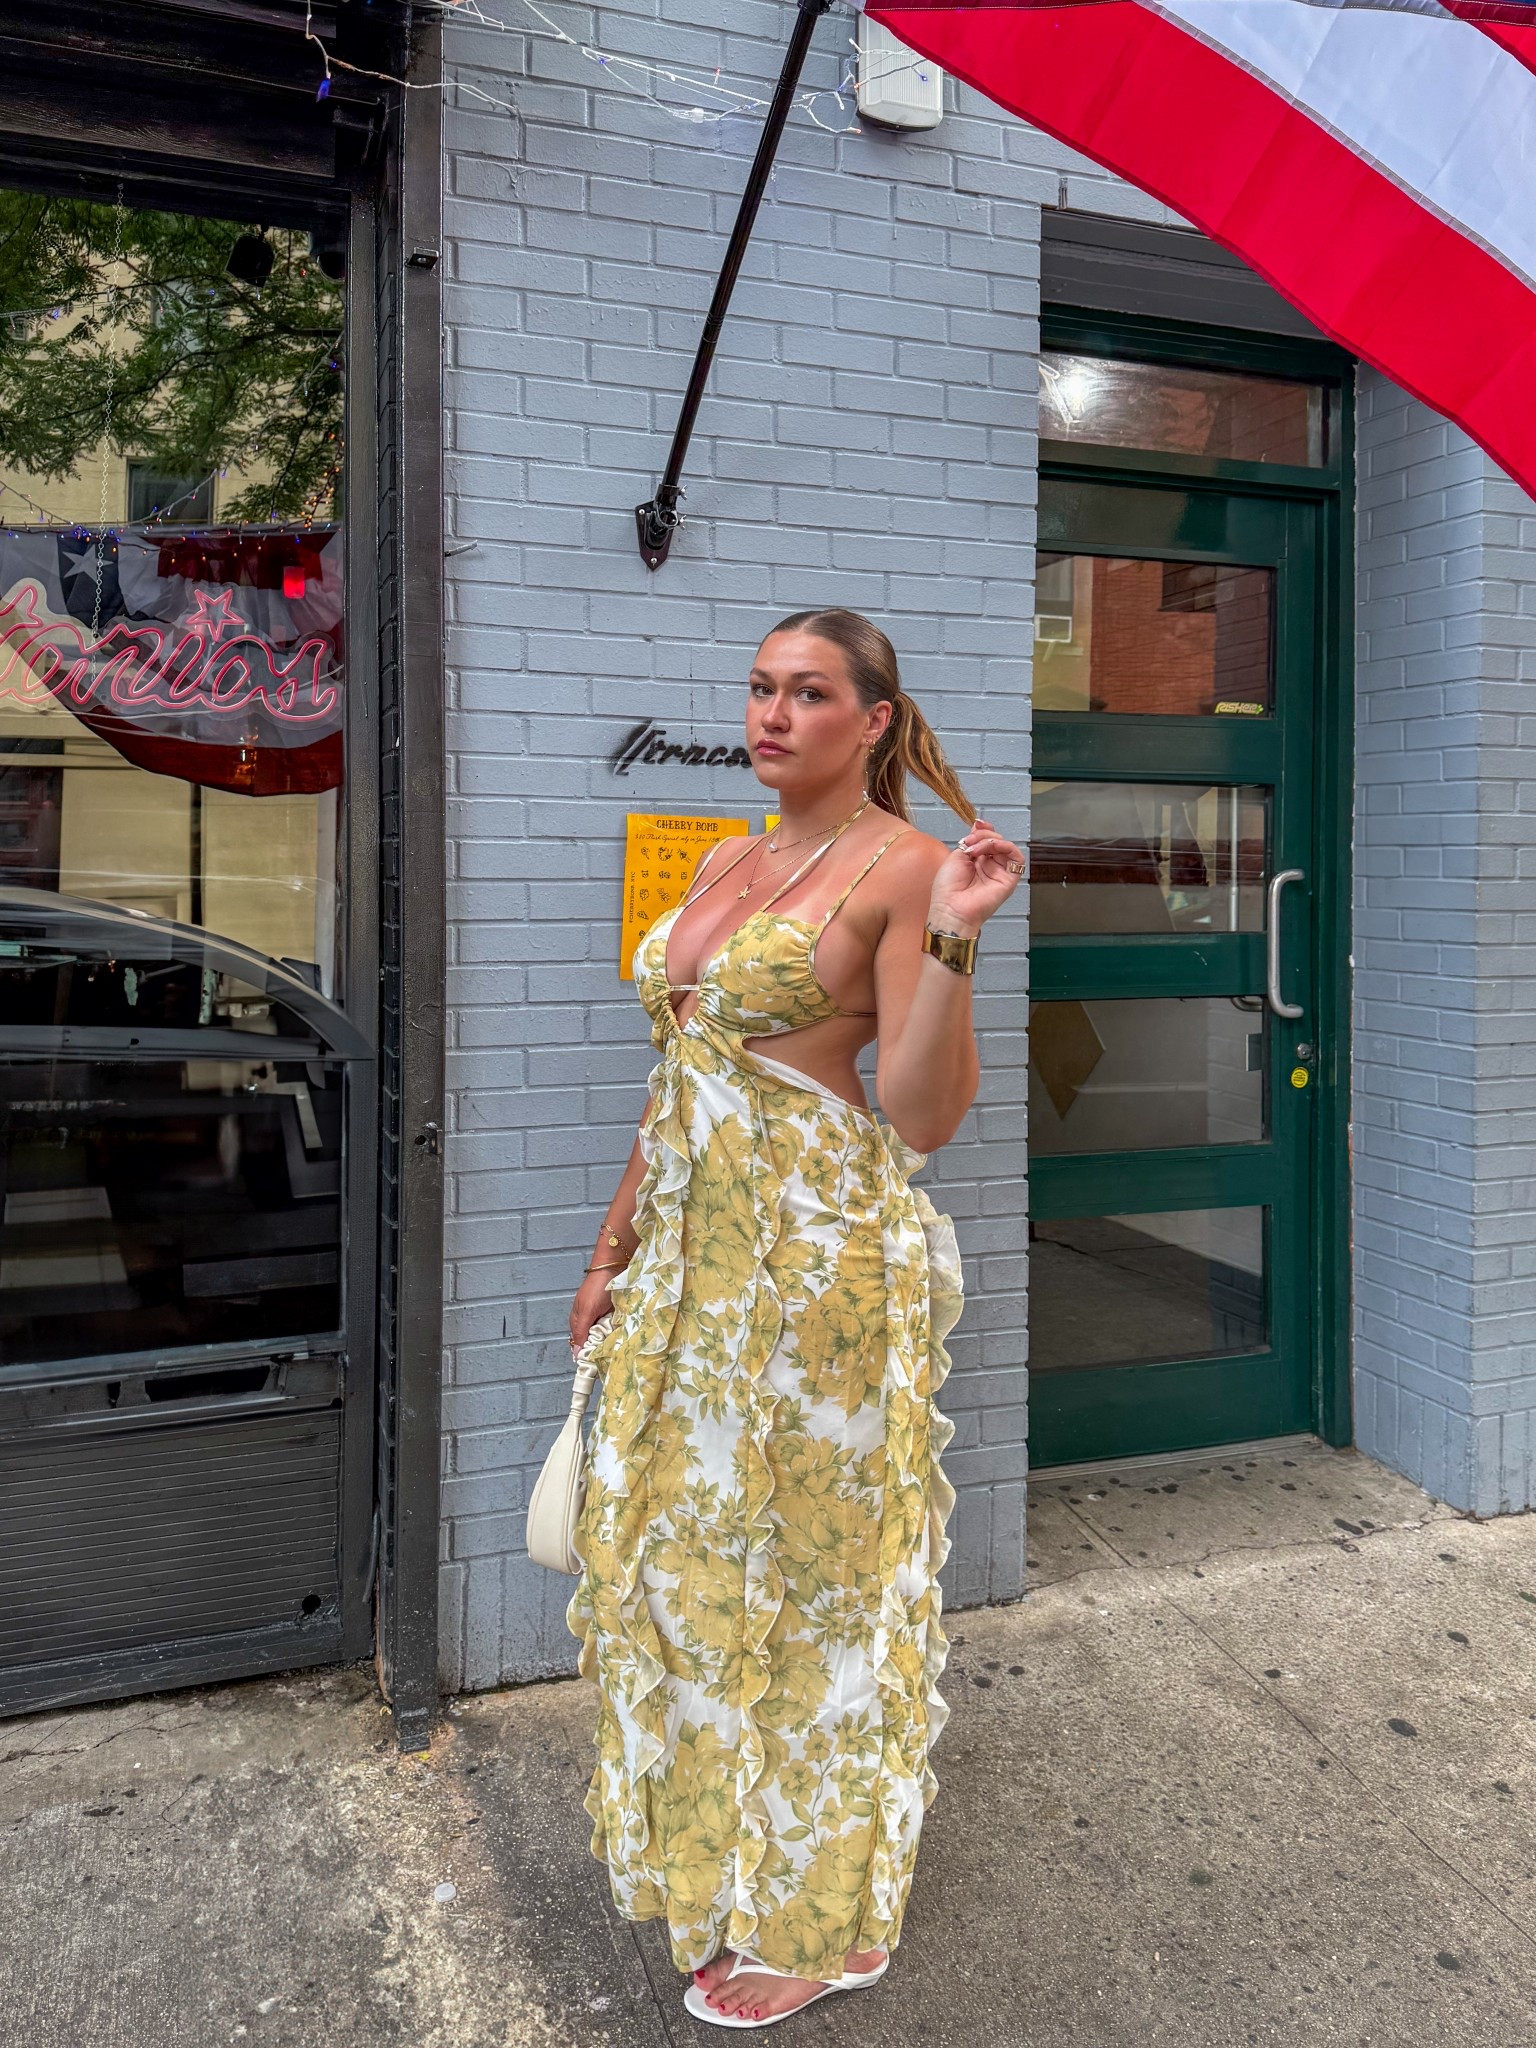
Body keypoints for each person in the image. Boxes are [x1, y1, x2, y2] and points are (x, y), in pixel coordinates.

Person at [566, 607, 1024, 2030]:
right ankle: (732, 1858)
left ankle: (828, 1920)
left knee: (823, 1585)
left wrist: (955, 944)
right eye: (762, 688)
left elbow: (923, 1114)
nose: (773, 714)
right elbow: (681, 1075)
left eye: (809, 692)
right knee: (697, 1566)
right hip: (691, 1270)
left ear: (873, 719)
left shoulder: (909, 870)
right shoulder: (725, 858)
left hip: (822, 1274)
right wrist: (611, 1248)